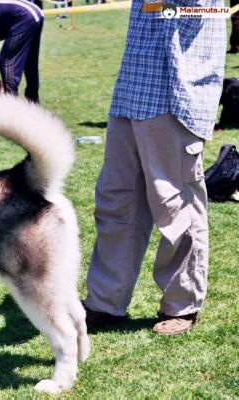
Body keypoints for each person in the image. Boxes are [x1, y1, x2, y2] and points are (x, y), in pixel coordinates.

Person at [83, 0, 226, 335]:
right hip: (133, 87)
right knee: (116, 202)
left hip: (176, 90)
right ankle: (105, 303)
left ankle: (182, 304)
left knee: (175, 204)